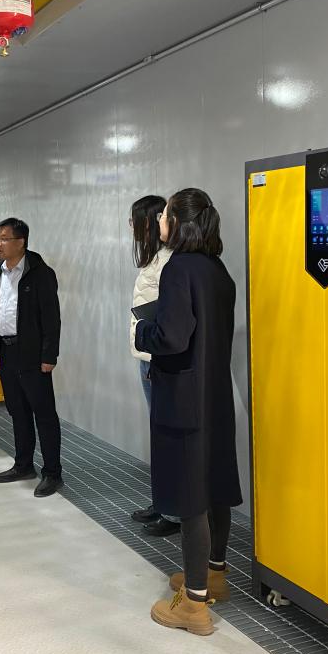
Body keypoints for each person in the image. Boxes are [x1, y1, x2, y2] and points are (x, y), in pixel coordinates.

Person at [135, 188, 241, 636]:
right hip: (214, 397)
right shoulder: (217, 270)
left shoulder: (178, 268)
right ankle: (214, 574)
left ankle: (194, 605)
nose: (159, 222)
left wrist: (144, 330)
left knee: (191, 497)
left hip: (183, 400)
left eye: (164, 215)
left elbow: (173, 337)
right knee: (214, 488)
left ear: (178, 222)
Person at [0, 218, 63, 497]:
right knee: (17, 411)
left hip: (33, 355)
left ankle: (52, 473)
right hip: (6, 351)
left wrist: (49, 355)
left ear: (21, 242)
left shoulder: (41, 273)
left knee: (44, 414)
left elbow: (51, 319)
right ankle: (23, 465)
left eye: (4, 238)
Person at [128, 195, 181, 538]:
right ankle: (163, 503)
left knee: (167, 438)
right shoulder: (155, 258)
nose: (130, 227)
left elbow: (168, 312)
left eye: (134, 220)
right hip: (147, 358)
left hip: (157, 360)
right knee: (159, 436)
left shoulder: (170, 260)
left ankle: (173, 512)